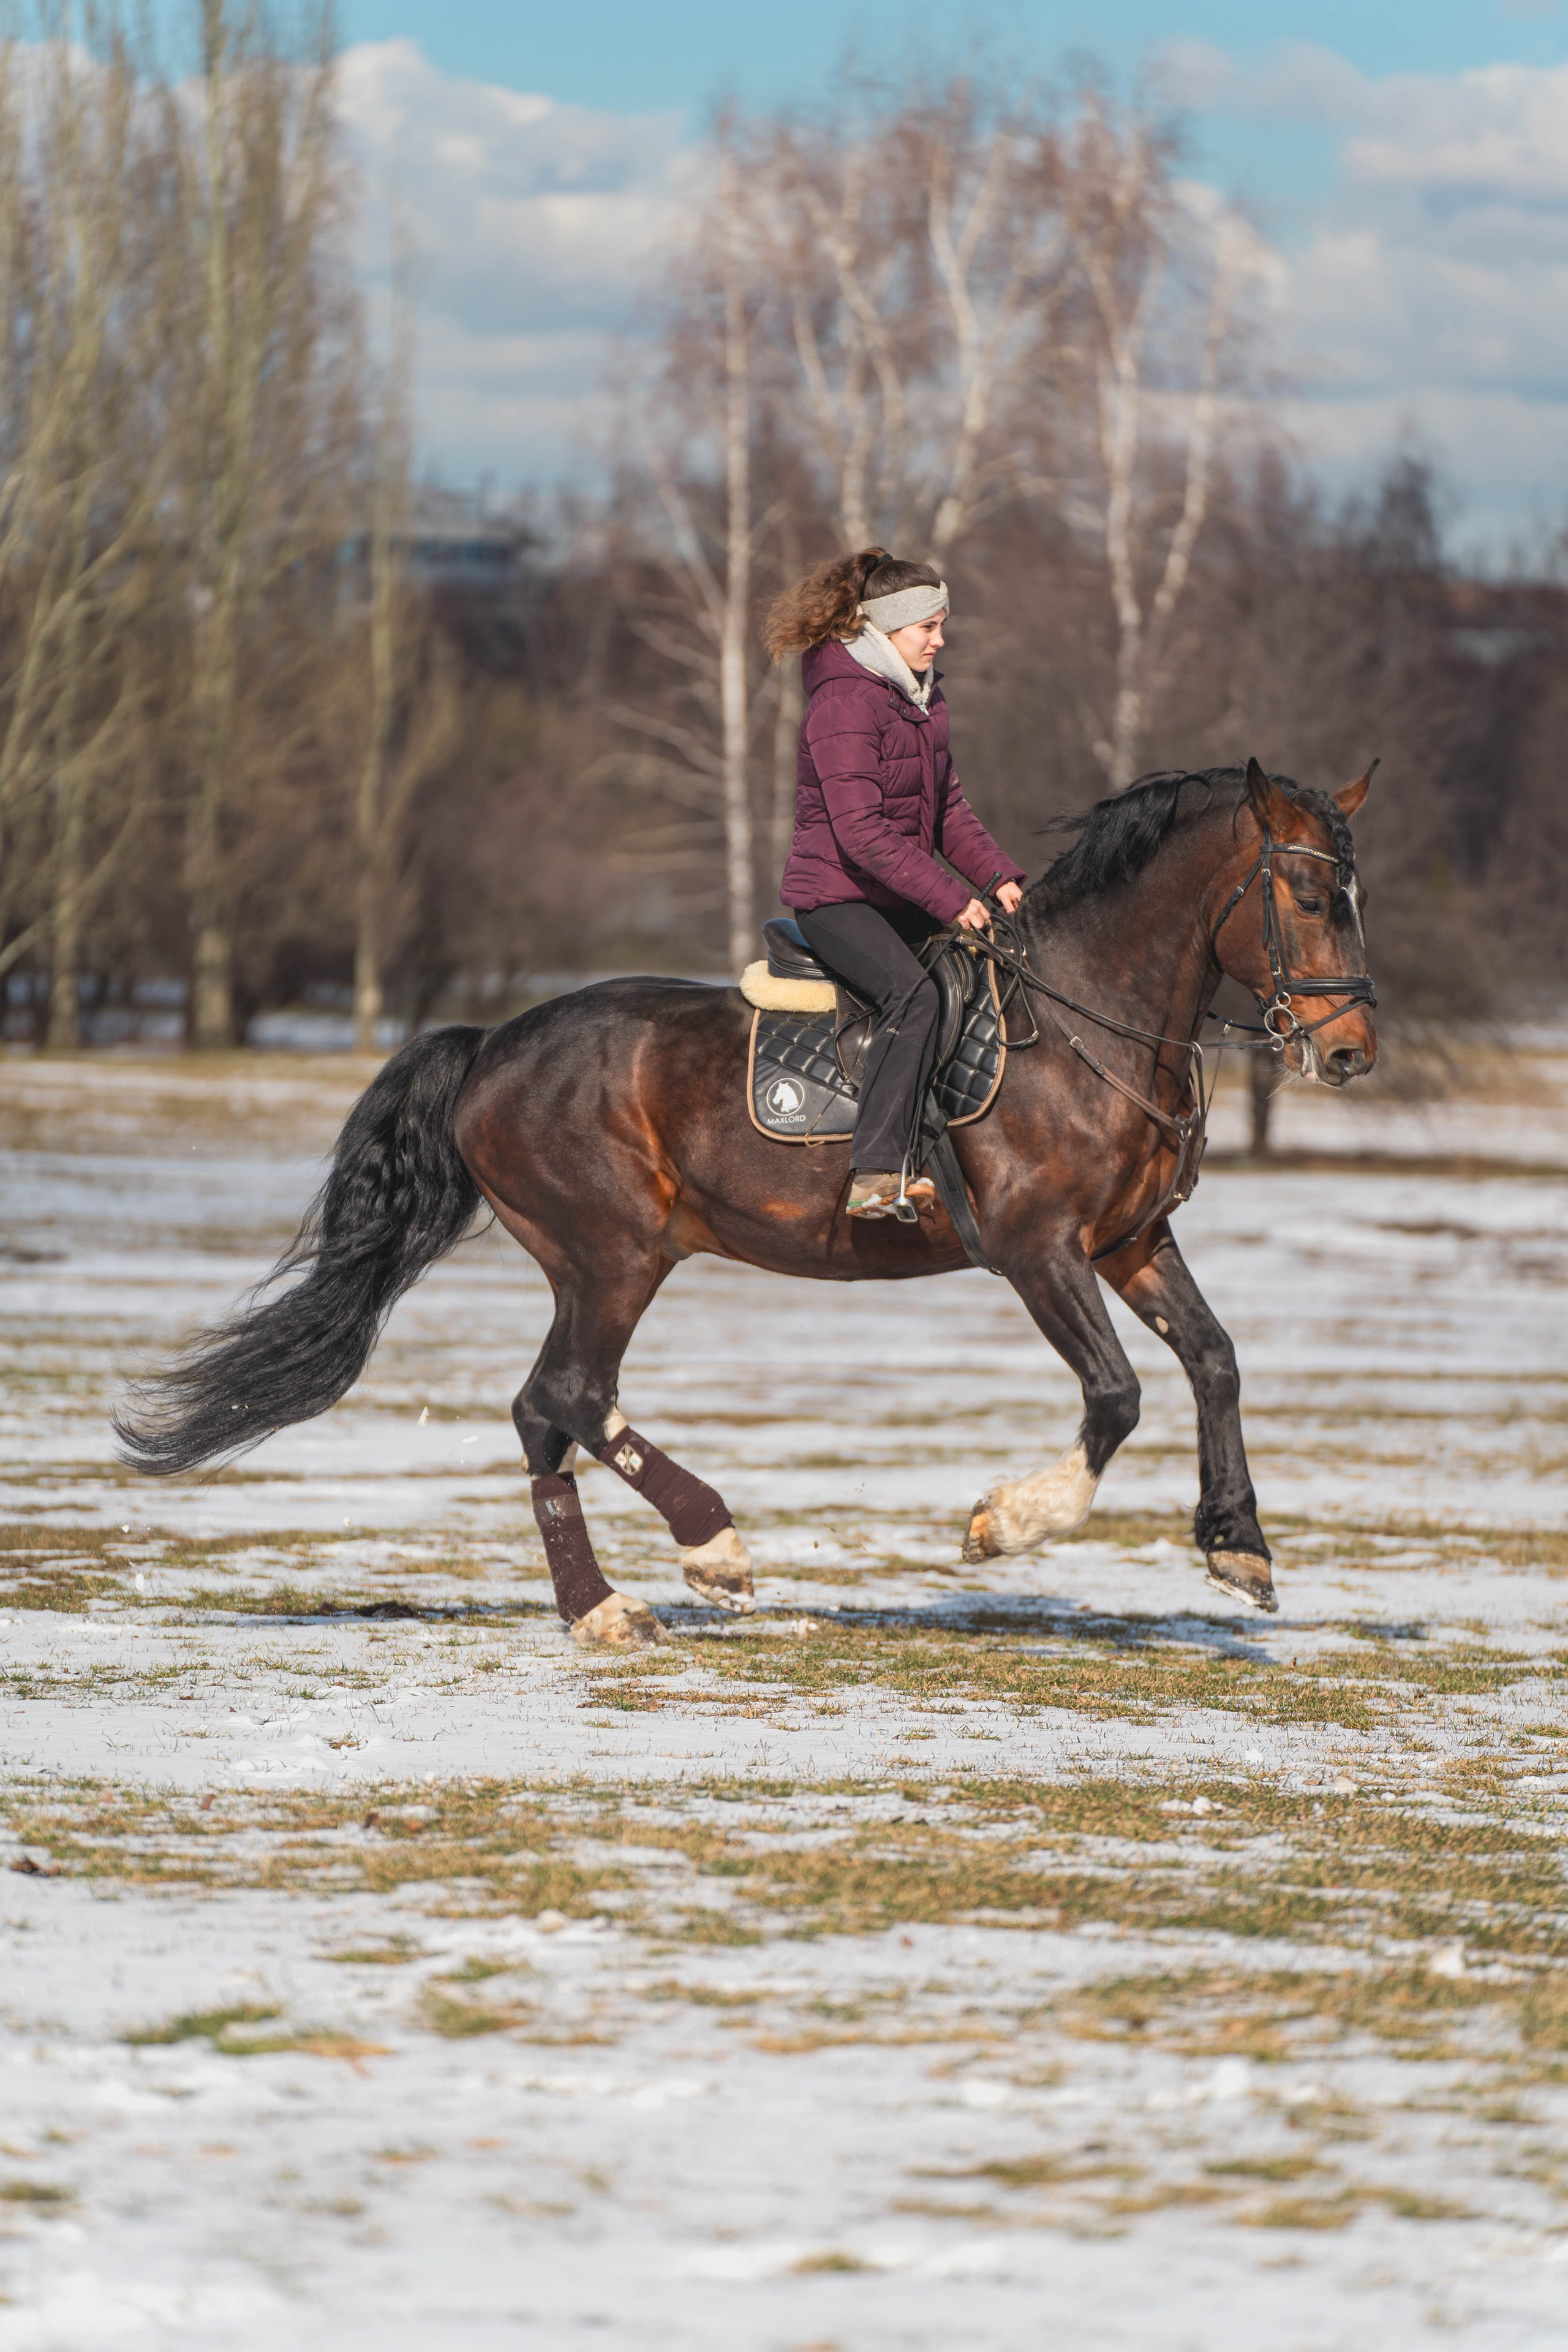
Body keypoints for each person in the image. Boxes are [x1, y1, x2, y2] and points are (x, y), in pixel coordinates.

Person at [766, 546, 1026, 1219]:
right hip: (837, 899)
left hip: (896, 894)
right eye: (927, 628)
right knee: (913, 999)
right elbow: (861, 834)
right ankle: (875, 1174)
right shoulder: (844, 703)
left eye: (942, 626)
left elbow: (948, 812)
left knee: (994, 975)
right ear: (883, 628)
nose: (940, 641)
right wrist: (951, 899)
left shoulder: (922, 698)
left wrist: (998, 878)